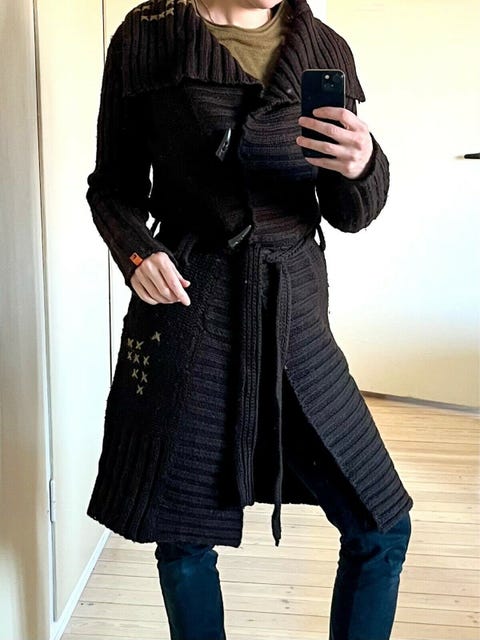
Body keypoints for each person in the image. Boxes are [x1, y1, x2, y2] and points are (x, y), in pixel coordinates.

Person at [85, 0, 413, 638]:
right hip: (191, 312)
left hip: (297, 321)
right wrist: (136, 252)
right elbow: (113, 188)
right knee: (183, 538)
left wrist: (363, 167)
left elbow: (350, 213)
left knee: (382, 526)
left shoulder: (323, 47)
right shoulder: (148, 34)